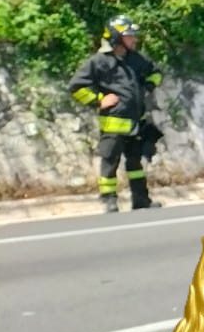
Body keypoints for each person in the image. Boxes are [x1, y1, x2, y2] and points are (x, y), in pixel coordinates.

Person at [67, 15, 163, 213]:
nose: (134, 39)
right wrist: (99, 100)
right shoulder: (99, 62)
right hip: (113, 125)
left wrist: (148, 86)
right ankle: (109, 201)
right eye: (129, 36)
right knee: (110, 163)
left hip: (136, 124)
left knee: (136, 164)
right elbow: (76, 87)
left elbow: (156, 72)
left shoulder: (136, 59)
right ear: (116, 37)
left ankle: (141, 200)